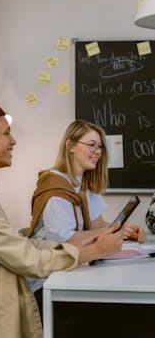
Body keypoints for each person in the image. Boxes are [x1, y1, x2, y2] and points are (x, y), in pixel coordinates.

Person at [0, 102, 122, 338]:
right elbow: (26, 259)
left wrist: (78, 247)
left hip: (13, 295)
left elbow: (17, 246)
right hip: (14, 308)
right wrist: (92, 251)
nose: (13, 141)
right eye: (6, 133)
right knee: (119, 316)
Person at [26, 119, 146, 292]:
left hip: (71, 270)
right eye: (91, 145)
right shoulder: (55, 187)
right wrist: (114, 232)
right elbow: (64, 240)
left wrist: (125, 231)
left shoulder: (84, 183)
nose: (97, 151)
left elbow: (98, 225)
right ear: (71, 145)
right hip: (46, 280)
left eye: (100, 146)